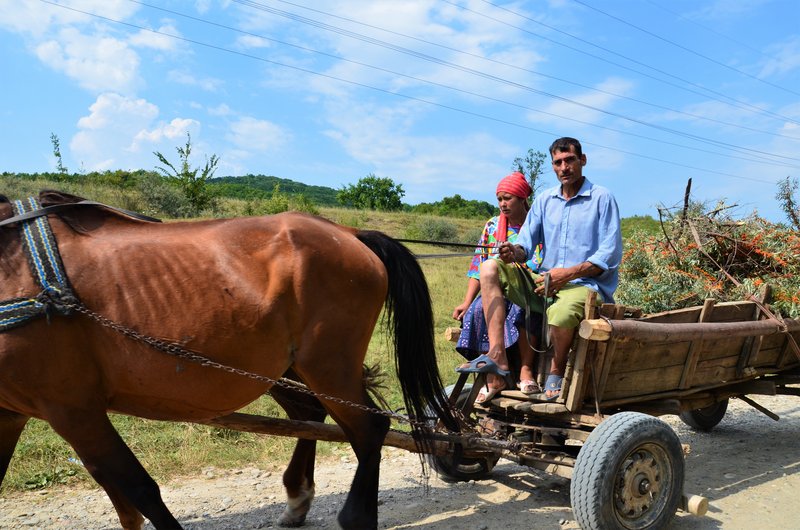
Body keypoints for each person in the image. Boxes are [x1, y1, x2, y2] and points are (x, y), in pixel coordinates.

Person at [475, 137, 622, 402]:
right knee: (488, 268)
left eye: (570, 160)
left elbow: (608, 255)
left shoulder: (601, 198)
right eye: (558, 162)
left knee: (562, 312)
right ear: (553, 166)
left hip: (585, 286)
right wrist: (513, 252)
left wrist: (567, 273)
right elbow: (525, 245)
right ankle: (498, 356)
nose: (564, 167)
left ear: (582, 160)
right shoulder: (545, 200)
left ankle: (556, 370)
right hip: (544, 282)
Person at [452, 172, 542, 403]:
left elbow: (540, 262)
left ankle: (525, 369)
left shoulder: (536, 224)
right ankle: (493, 376)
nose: (503, 203)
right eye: (499, 198)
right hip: (494, 291)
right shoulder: (492, 226)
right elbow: (477, 266)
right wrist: (466, 300)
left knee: (521, 309)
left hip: (526, 288)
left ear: (522, 198)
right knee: (477, 308)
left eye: (508, 198)